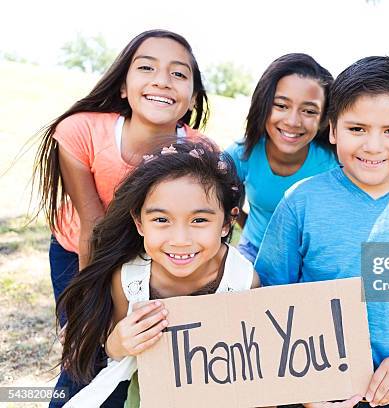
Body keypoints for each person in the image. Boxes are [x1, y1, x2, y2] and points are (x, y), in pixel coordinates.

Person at [255, 56, 389, 408]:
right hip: (311, 388)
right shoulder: (301, 202)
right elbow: (268, 300)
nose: (373, 146)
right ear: (333, 129)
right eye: (357, 129)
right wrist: (298, 385)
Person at [54, 142, 257, 407]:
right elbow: (111, 353)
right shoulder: (129, 279)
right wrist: (118, 343)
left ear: (226, 223)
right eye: (161, 220)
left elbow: (250, 363)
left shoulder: (242, 280)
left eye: (199, 221)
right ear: (139, 223)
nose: (181, 240)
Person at [33, 29, 216, 311]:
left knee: (147, 345)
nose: (162, 81)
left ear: (193, 98)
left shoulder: (203, 152)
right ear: (122, 86)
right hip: (78, 249)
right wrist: (90, 317)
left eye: (179, 74)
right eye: (146, 67)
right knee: (88, 347)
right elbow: (93, 227)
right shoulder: (80, 131)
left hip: (153, 255)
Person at [225, 53, 338, 263]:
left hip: (309, 260)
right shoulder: (241, 154)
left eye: (309, 111)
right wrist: (249, 227)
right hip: (253, 252)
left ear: (323, 119)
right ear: (264, 105)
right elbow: (219, 205)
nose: (293, 121)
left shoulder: (333, 164)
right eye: (281, 106)